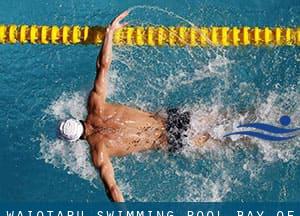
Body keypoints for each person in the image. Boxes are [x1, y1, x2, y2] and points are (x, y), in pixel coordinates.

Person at [58, 11, 210, 202]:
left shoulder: (99, 152)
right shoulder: (95, 105)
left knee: (228, 141)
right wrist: (109, 33)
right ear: (76, 119)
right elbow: (103, 66)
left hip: (171, 140)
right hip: (172, 118)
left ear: (76, 140)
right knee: (226, 118)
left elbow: (112, 189)